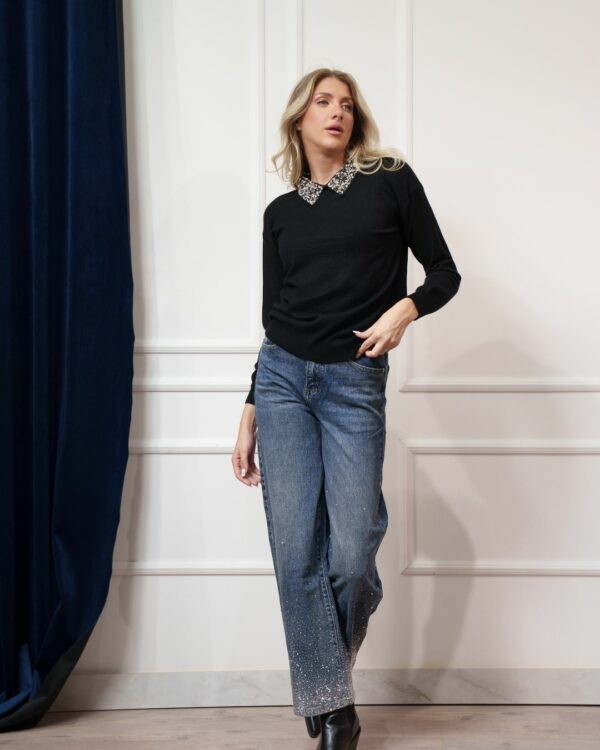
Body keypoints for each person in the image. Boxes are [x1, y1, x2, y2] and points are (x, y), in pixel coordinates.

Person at [232, 67, 461, 750]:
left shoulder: (389, 180)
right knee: (295, 550)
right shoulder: (281, 214)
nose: (337, 112)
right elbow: (274, 318)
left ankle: (320, 677)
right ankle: (335, 706)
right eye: (323, 102)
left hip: (353, 383)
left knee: (353, 552)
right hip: (281, 381)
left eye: (347, 104)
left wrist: (405, 310)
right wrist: (249, 408)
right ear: (299, 119)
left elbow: (444, 272)